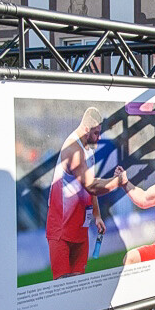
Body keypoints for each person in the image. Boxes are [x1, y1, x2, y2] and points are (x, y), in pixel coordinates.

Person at [46, 107, 124, 280]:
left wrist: (96, 215)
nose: (99, 137)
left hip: (80, 226)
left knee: (78, 286)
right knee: (62, 288)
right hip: (61, 228)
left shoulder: (88, 148)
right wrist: (117, 182)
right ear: (87, 129)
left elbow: (90, 186)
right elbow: (92, 186)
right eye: (96, 133)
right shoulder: (73, 149)